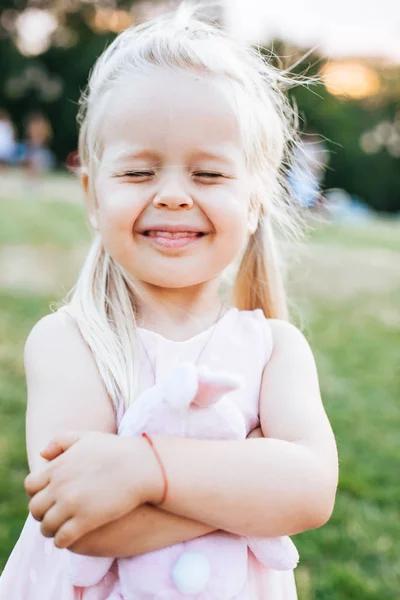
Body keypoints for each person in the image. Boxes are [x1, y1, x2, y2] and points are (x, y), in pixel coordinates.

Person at [0, 3, 338, 599]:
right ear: (93, 196)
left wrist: (142, 468)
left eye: (208, 175)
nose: (174, 196)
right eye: (138, 173)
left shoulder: (276, 349)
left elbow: (311, 493)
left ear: (255, 199)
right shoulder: (69, 343)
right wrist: (254, 484)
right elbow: (88, 524)